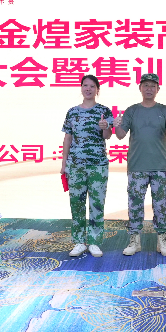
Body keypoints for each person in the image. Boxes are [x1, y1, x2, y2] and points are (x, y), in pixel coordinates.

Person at [114, 73, 166, 256]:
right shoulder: (132, 110)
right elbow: (120, 135)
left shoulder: (164, 110)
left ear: (158, 89)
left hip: (159, 165)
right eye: (146, 85)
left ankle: (162, 240)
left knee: (161, 205)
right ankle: (134, 240)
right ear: (140, 88)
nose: (149, 89)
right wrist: (116, 125)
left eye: (152, 86)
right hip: (137, 165)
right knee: (135, 204)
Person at [61, 75, 114, 258]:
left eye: (92, 86)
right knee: (77, 203)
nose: (88, 89)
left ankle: (94, 241)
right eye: (85, 85)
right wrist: (64, 163)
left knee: (97, 203)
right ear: (81, 88)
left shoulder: (104, 111)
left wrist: (105, 126)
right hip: (76, 165)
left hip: (98, 165)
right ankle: (78, 241)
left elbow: (107, 136)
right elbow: (67, 138)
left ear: (97, 89)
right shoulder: (72, 112)